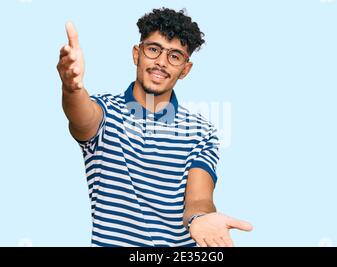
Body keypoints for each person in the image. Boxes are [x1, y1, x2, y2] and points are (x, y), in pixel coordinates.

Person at [56, 7, 252, 247]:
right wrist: (72, 87)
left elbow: (199, 198)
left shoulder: (202, 132)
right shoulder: (106, 112)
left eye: (175, 56)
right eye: (153, 49)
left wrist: (200, 218)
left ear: (185, 70)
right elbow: (82, 116)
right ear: (136, 54)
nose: (161, 62)